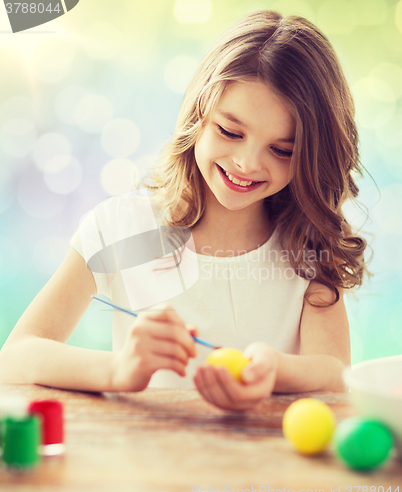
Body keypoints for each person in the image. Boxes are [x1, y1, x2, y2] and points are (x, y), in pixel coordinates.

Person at [0, 10, 368, 411]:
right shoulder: (120, 230)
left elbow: (336, 373)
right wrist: (118, 370)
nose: (246, 162)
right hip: (147, 467)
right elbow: (16, 357)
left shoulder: (307, 245)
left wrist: (274, 372)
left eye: (281, 150)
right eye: (229, 131)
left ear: (310, 157)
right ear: (198, 114)